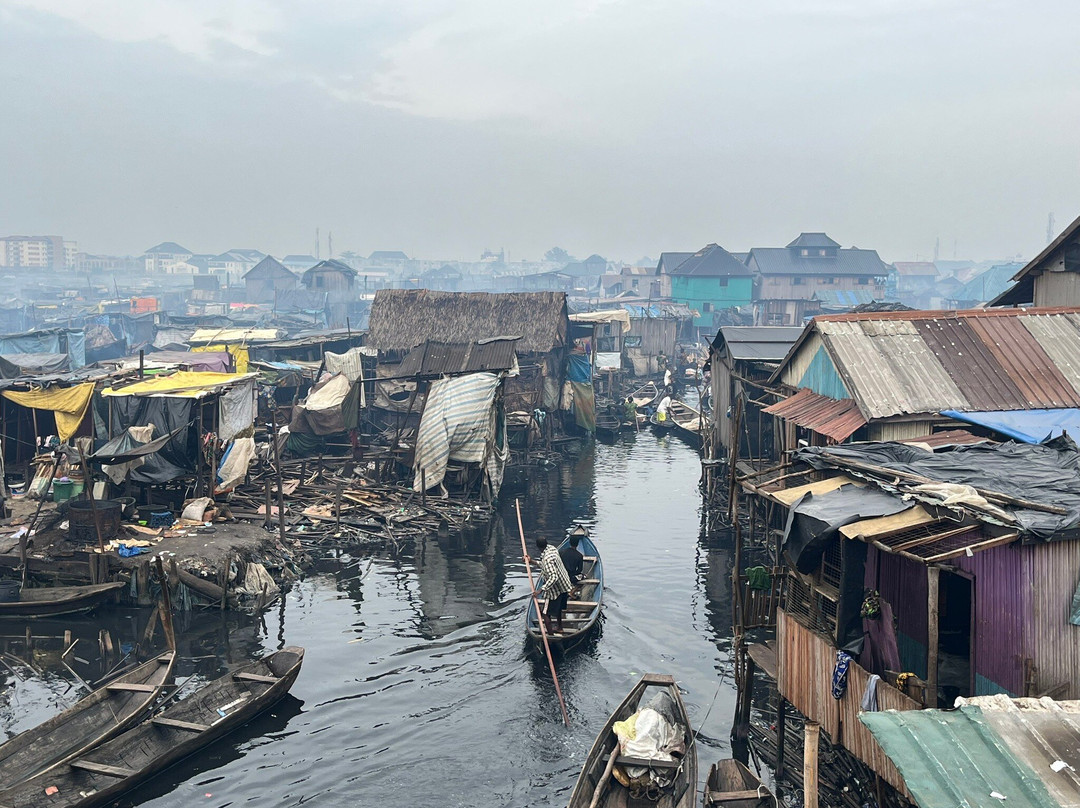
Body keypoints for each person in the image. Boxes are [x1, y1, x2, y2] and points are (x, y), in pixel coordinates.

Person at [527, 537, 572, 635]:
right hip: (564, 585)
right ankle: (560, 628)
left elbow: (553, 577)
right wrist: (532, 561)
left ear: (538, 547)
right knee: (558, 608)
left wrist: (540, 590)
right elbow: (545, 565)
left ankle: (551, 636)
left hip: (555, 589)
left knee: (545, 613)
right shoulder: (552, 548)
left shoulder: (547, 559)